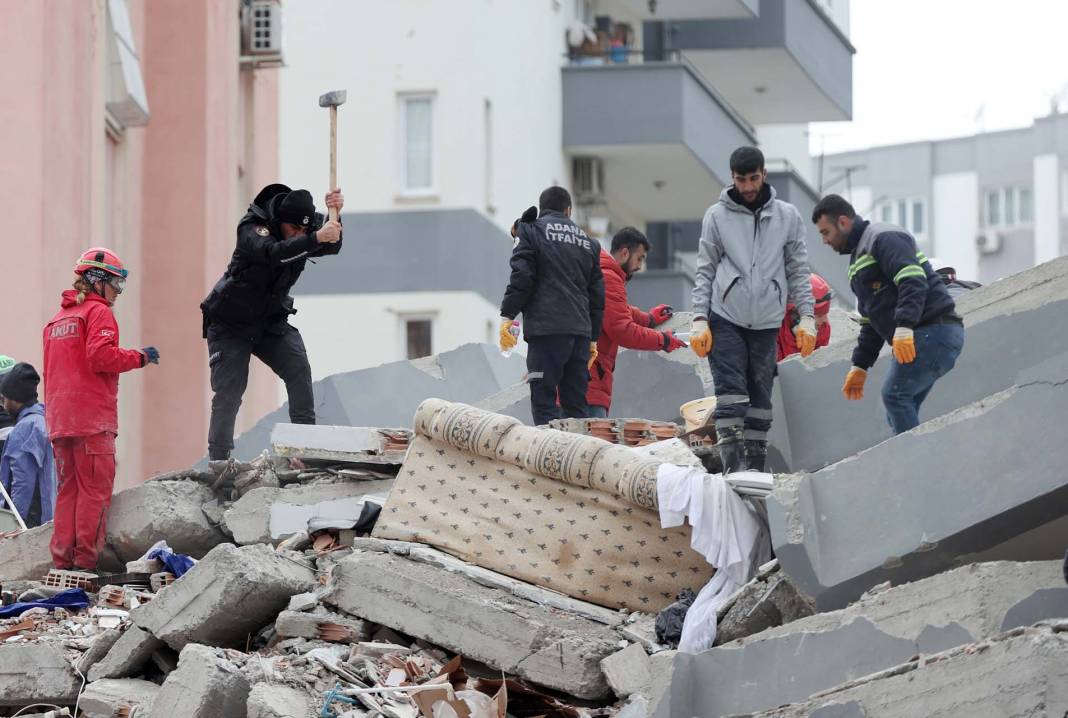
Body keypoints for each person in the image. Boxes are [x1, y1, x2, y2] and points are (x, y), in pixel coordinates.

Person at [688, 146, 817, 472]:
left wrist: (808, 317)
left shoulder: (787, 217)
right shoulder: (716, 216)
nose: (747, 187)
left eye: (753, 178)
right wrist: (700, 319)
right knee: (732, 391)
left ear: (764, 174)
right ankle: (733, 465)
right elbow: (705, 269)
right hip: (725, 315)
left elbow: (798, 271)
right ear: (732, 178)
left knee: (760, 394)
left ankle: (755, 467)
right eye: (741, 179)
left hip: (767, 320)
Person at [201, 184, 344, 461]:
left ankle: (304, 447)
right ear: (280, 222)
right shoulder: (252, 228)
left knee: (298, 369)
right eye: (294, 230)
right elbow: (274, 253)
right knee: (230, 390)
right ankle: (219, 460)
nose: (300, 234)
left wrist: (335, 215)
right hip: (231, 322)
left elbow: (332, 244)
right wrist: (315, 237)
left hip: (269, 320)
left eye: (305, 230)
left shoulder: (306, 229)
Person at [44, 248, 158, 570]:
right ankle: (84, 567)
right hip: (92, 420)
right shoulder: (99, 313)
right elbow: (101, 357)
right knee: (94, 493)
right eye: (115, 284)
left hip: (60, 420)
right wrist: (140, 357)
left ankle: (62, 566)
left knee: (68, 492)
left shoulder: (56, 321)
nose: (117, 293)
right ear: (97, 279)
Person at [811, 194, 964, 434]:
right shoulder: (857, 262)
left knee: (895, 396)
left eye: (825, 232)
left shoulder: (883, 237)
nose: (824, 241)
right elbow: (870, 321)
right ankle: (913, 458)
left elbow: (912, 280)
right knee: (900, 409)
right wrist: (860, 365)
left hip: (934, 330)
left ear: (843, 222)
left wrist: (904, 326)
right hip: (927, 334)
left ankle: (914, 463)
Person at [499, 186, 605, 426]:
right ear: (569, 210)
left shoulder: (532, 231)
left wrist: (507, 315)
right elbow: (597, 296)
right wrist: (592, 338)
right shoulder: (589, 244)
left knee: (544, 404)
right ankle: (575, 460)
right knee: (576, 410)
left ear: (543, 207)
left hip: (546, 334)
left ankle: (548, 462)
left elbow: (522, 276)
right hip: (579, 335)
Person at [587, 227, 686, 417]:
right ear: (625, 253)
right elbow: (622, 329)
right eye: (639, 258)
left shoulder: (600, 273)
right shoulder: (609, 277)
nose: (640, 266)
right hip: (590, 384)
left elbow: (616, 310)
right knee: (592, 444)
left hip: (588, 380)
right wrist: (663, 341)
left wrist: (648, 319)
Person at [0, 363, 55, 528]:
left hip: (32, 519)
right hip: (51, 514)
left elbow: (22, 483)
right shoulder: (45, 420)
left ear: (15, 399)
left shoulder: (25, 429)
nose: (3, 406)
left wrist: (14, 524)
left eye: (4, 400)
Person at [777, 274, 833, 361]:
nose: (825, 320)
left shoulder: (823, 329)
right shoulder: (774, 328)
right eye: (819, 315)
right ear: (797, 314)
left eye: (826, 314)